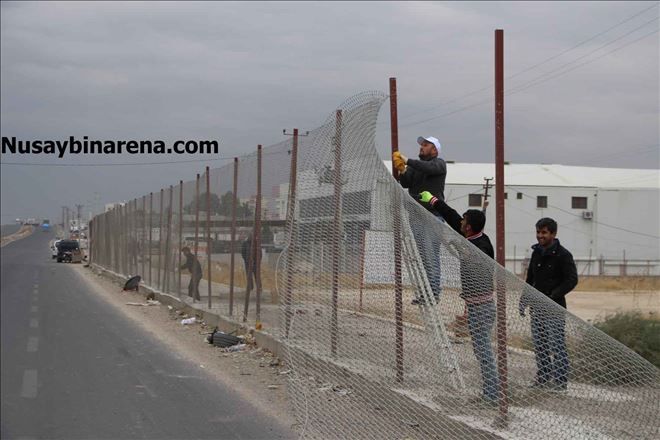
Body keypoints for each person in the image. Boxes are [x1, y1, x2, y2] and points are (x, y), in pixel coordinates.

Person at [419, 190, 499, 405]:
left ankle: (492, 396)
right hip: (474, 306)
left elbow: (477, 260)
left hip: (482, 308)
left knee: (483, 352)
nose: (460, 222)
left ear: (469, 227)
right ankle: (490, 393)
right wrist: (433, 200)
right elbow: (451, 214)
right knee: (480, 351)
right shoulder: (469, 235)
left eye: (464, 221)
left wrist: (462, 251)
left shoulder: (482, 246)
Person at [519, 217, 578, 391]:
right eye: (538, 232)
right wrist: (524, 300)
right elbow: (531, 279)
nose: (540, 236)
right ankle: (543, 377)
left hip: (554, 308)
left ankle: (560, 383)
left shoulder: (563, 255)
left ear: (553, 234)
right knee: (540, 345)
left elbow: (572, 280)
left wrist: (553, 295)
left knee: (556, 345)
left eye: (544, 232)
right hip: (537, 308)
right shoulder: (536, 252)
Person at [392, 136, 447, 303]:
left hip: (432, 216)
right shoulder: (416, 167)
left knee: (430, 256)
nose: (422, 147)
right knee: (423, 258)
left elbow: (428, 168)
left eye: (426, 145)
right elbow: (406, 183)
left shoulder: (439, 164)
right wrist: (402, 170)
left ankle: (433, 293)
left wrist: (407, 160)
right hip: (416, 215)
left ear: (434, 149)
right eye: (421, 145)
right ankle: (426, 293)